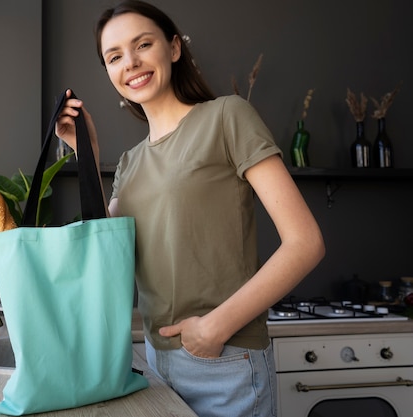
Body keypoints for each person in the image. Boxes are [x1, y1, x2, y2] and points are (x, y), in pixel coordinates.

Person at [55, 1, 325, 416]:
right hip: (155, 362)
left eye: (143, 44)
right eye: (114, 56)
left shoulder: (227, 117)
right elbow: (103, 259)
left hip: (224, 360)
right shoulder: (130, 161)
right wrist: (87, 155)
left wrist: (215, 328)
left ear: (174, 48)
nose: (131, 63)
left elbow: (305, 242)